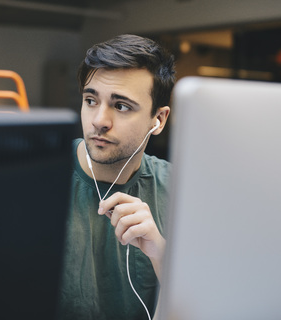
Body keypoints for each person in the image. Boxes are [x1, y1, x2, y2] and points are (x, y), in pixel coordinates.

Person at [56, 34, 176, 320]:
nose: (99, 120)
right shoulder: (39, 177)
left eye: (121, 106)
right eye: (90, 100)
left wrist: (161, 254)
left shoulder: (178, 190)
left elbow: (204, 307)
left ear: (158, 120)